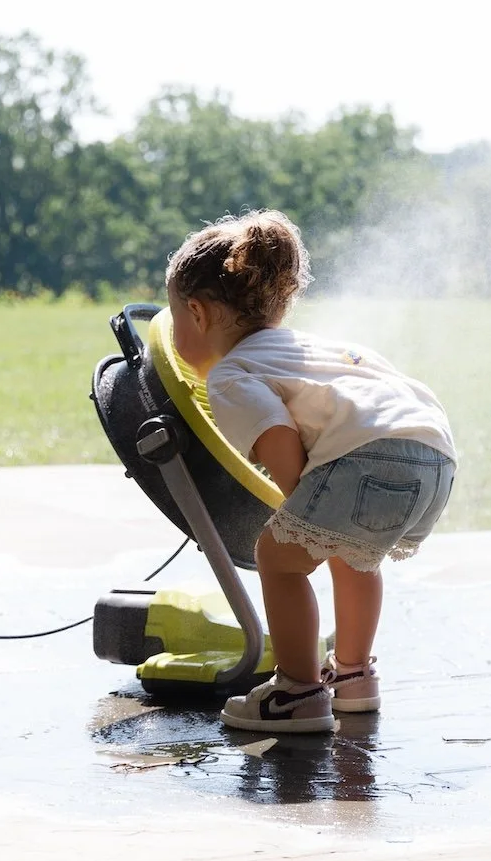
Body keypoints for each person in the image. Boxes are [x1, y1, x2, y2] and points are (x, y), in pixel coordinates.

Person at [163, 210, 456, 735]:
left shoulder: (232, 373)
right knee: (354, 555)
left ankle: (297, 691)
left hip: (370, 457)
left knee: (277, 557)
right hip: (435, 455)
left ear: (196, 313)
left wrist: (298, 512)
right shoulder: (311, 348)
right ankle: (355, 678)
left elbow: (278, 437)